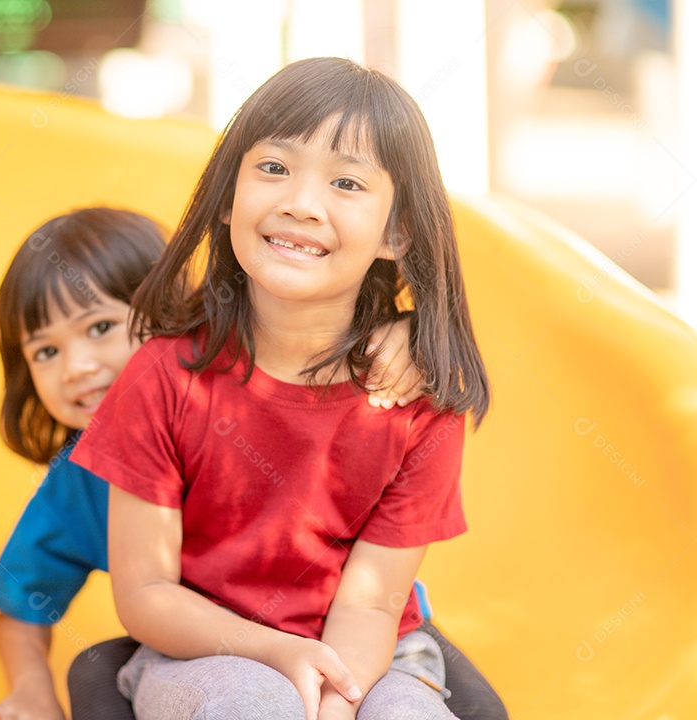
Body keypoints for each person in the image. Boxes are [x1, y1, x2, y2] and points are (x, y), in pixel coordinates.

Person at [70, 57, 502, 720]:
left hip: (373, 655)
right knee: (254, 703)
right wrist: (275, 653)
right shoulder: (162, 377)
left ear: (398, 233)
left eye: (346, 182)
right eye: (273, 168)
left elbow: (366, 604)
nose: (301, 203)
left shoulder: (419, 401)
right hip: (203, 653)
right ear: (227, 197)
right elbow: (147, 592)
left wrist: (331, 700)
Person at [0, 206, 442, 720]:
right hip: (219, 651)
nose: (76, 367)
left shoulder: (225, 391)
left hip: (373, 635)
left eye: (100, 326)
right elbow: (22, 603)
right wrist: (31, 693)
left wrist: (406, 336)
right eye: (45, 352)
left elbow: (308, 333)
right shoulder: (80, 481)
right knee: (102, 676)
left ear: (168, 311)